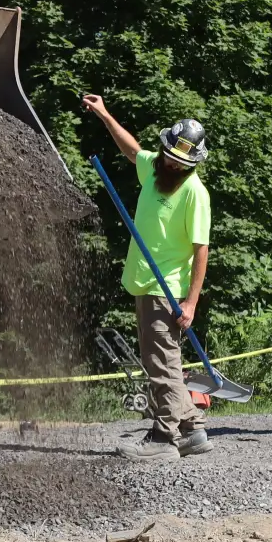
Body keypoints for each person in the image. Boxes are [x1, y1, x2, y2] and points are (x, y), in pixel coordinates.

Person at [82, 93, 213, 460]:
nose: (172, 165)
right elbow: (131, 150)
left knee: (161, 364)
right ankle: (191, 430)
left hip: (166, 289)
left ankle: (162, 439)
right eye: (171, 157)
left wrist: (191, 300)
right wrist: (105, 115)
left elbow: (201, 250)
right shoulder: (155, 169)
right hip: (144, 282)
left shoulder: (194, 194)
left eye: (180, 163)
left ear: (192, 163)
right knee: (164, 359)